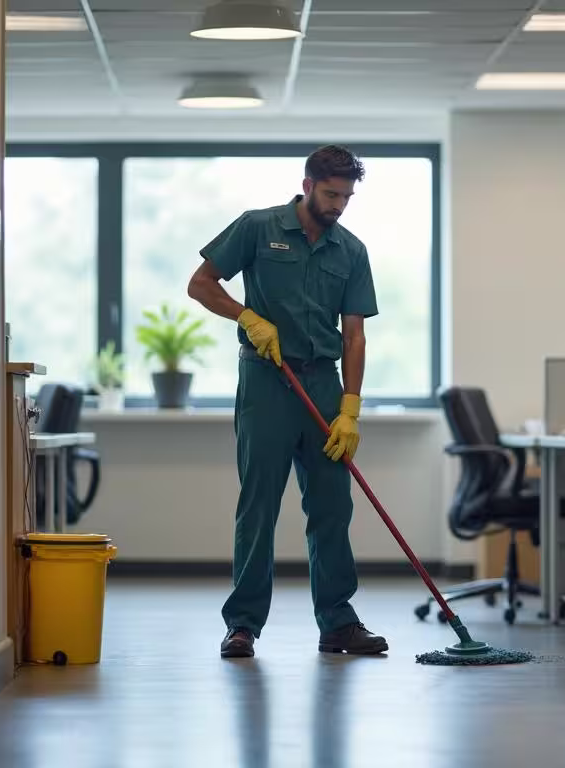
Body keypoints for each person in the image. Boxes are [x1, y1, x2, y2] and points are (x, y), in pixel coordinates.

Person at [187, 145, 388, 659]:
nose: (339, 205)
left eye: (347, 197)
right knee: (259, 506)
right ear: (307, 185)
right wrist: (247, 317)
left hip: (323, 385)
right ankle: (243, 625)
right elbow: (201, 285)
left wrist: (350, 408)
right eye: (331, 194)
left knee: (332, 507)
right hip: (267, 380)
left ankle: (338, 624)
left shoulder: (351, 250)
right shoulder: (258, 227)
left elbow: (355, 335)